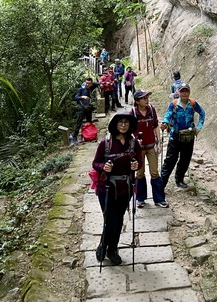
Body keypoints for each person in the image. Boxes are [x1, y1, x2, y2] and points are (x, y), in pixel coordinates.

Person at [92, 113, 141, 265]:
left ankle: (112, 249)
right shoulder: (105, 143)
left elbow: (139, 161)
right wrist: (104, 167)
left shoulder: (134, 143)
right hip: (106, 188)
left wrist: (136, 165)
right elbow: (96, 163)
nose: (124, 125)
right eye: (120, 122)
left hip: (125, 189)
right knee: (110, 220)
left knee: (118, 220)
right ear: (115, 124)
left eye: (126, 122)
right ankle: (104, 244)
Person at [161, 82, 205, 189]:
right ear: (178, 92)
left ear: (189, 92)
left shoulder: (193, 103)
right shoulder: (174, 104)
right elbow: (168, 115)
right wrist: (165, 122)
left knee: (185, 159)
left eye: (186, 91)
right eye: (182, 91)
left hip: (188, 136)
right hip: (175, 136)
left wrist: (198, 127)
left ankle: (179, 179)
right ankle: (161, 184)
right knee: (170, 160)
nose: (184, 93)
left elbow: (202, 113)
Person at [131, 90, 168, 208]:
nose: (147, 100)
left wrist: (159, 142)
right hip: (139, 148)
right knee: (140, 173)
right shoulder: (132, 113)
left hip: (151, 146)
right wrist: (134, 141)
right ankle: (140, 199)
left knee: (154, 172)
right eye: (143, 98)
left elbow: (155, 125)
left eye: (147, 97)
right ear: (137, 101)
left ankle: (159, 199)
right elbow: (129, 131)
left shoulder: (151, 110)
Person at [72, 77, 99, 142]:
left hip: (88, 107)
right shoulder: (81, 89)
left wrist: (96, 84)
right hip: (81, 107)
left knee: (89, 122)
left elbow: (98, 83)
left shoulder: (91, 88)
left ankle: (89, 135)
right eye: (86, 83)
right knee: (79, 122)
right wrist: (82, 97)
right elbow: (75, 98)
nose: (87, 84)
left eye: (89, 83)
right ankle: (74, 137)